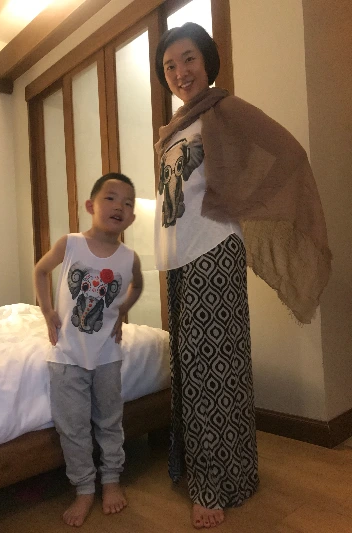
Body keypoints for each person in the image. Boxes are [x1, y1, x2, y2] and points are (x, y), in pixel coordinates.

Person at [154, 22, 330, 529]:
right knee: (192, 366)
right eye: (170, 65)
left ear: (207, 62)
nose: (180, 72)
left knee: (213, 367)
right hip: (180, 257)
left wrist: (244, 201)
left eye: (188, 59)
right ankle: (223, 472)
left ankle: (214, 487)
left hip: (213, 251)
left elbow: (289, 153)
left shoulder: (223, 108)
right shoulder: (172, 129)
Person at [34, 173, 143, 527]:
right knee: (73, 427)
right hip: (66, 356)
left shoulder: (129, 258)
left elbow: (137, 286)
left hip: (107, 356)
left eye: (127, 202)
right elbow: (41, 271)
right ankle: (83, 488)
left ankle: (111, 481)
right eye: (110, 197)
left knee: (110, 422)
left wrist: (122, 312)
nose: (119, 206)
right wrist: (47, 311)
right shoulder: (71, 244)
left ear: (132, 217)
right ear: (90, 205)